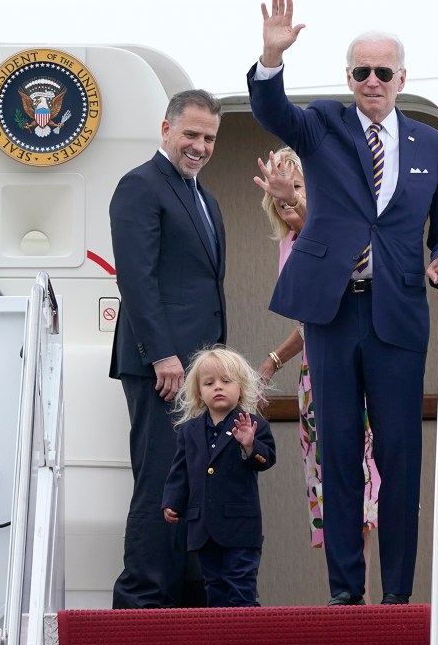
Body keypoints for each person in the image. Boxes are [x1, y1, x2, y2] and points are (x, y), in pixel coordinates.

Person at [247, 0, 438, 605]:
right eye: (362, 72)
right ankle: (347, 597)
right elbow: (271, 110)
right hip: (333, 312)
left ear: (403, 78)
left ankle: (396, 599)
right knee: (339, 455)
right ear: (349, 78)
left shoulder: (430, 146)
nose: (373, 81)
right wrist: (271, 55)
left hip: (397, 312)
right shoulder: (323, 124)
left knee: (400, 460)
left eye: (384, 72)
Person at [109, 89, 226, 609]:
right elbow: (136, 277)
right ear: (166, 130)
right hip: (165, 367)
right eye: (191, 134)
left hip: (199, 370)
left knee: (193, 484)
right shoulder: (140, 186)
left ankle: (187, 598)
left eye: (209, 138)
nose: (200, 146)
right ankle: (141, 601)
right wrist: (161, 353)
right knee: (159, 480)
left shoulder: (206, 198)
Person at [254, 148, 381, 601]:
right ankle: (347, 592)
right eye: (281, 200)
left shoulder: (341, 229)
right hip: (315, 373)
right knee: (327, 480)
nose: (289, 205)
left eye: (298, 191)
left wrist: (306, 210)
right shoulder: (289, 243)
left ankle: (359, 596)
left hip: (356, 367)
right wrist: (271, 362)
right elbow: (308, 317)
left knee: (360, 479)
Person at [162, 347, 276, 607]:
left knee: (241, 585)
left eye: (226, 381)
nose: (218, 387)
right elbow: (180, 471)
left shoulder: (253, 424)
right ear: (199, 392)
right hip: (203, 528)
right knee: (214, 586)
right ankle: (219, 636)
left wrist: (249, 445)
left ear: (241, 387)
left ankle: (245, 636)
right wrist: (172, 501)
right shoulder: (189, 431)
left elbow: (266, 459)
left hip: (240, 528)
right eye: (209, 383)